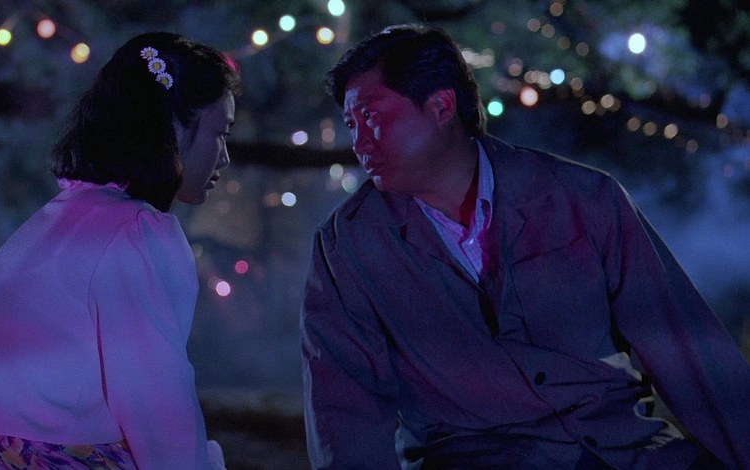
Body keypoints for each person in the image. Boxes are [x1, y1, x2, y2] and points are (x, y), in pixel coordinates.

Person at [300, 24, 750, 469]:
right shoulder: (349, 246)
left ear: (441, 106)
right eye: (351, 124)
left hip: (622, 449)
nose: (358, 142)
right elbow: (344, 412)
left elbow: (689, 350)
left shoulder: (582, 199)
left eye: (372, 118)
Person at [0, 31, 239, 470]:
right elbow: (158, 408)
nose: (224, 157)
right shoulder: (137, 234)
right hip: (31, 456)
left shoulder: (67, 212)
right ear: (173, 129)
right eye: (219, 134)